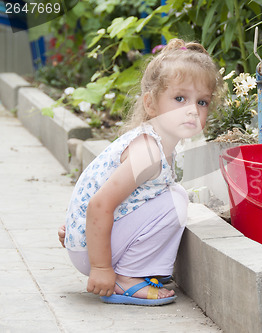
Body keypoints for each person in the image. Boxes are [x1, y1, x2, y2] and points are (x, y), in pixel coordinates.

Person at [57, 38, 223, 306]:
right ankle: (126, 279)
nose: (192, 110)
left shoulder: (158, 144)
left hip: (88, 240)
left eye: (201, 102)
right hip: (92, 249)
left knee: (173, 193)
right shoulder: (148, 151)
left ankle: (132, 270)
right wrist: (100, 268)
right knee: (175, 200)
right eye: (179, 98)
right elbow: (99, 204)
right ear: (150, 104)